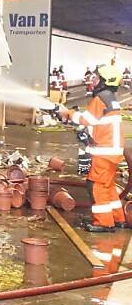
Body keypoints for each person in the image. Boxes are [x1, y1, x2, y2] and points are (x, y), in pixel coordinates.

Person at [56, 64, 125, 231]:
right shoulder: (110, 99)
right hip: (113, 152)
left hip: (104, 152)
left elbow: (86, 120)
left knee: (96, 186)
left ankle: (103, 223)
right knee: (108, 186)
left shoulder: (100, 98)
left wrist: (67, 113)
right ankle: (117, 218)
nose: (94, 80)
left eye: (97, 77)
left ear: (104, 81)